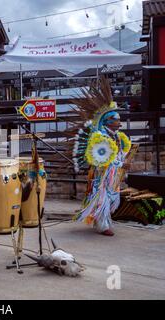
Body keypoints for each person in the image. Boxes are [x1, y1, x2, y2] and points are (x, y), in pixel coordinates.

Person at [72, 77, 132, 236]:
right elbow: (103, 159)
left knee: (113, 197)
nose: (119, 123)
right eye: (116, 120)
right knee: (102, 198)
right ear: (107, 121)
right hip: (102, 175)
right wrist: (120, 165)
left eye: (119, 120)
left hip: (113, 175)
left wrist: (124, 159)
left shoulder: (118, 136)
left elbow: (119, 152)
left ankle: (103, 221)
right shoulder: (99, 136)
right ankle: (103, 225)